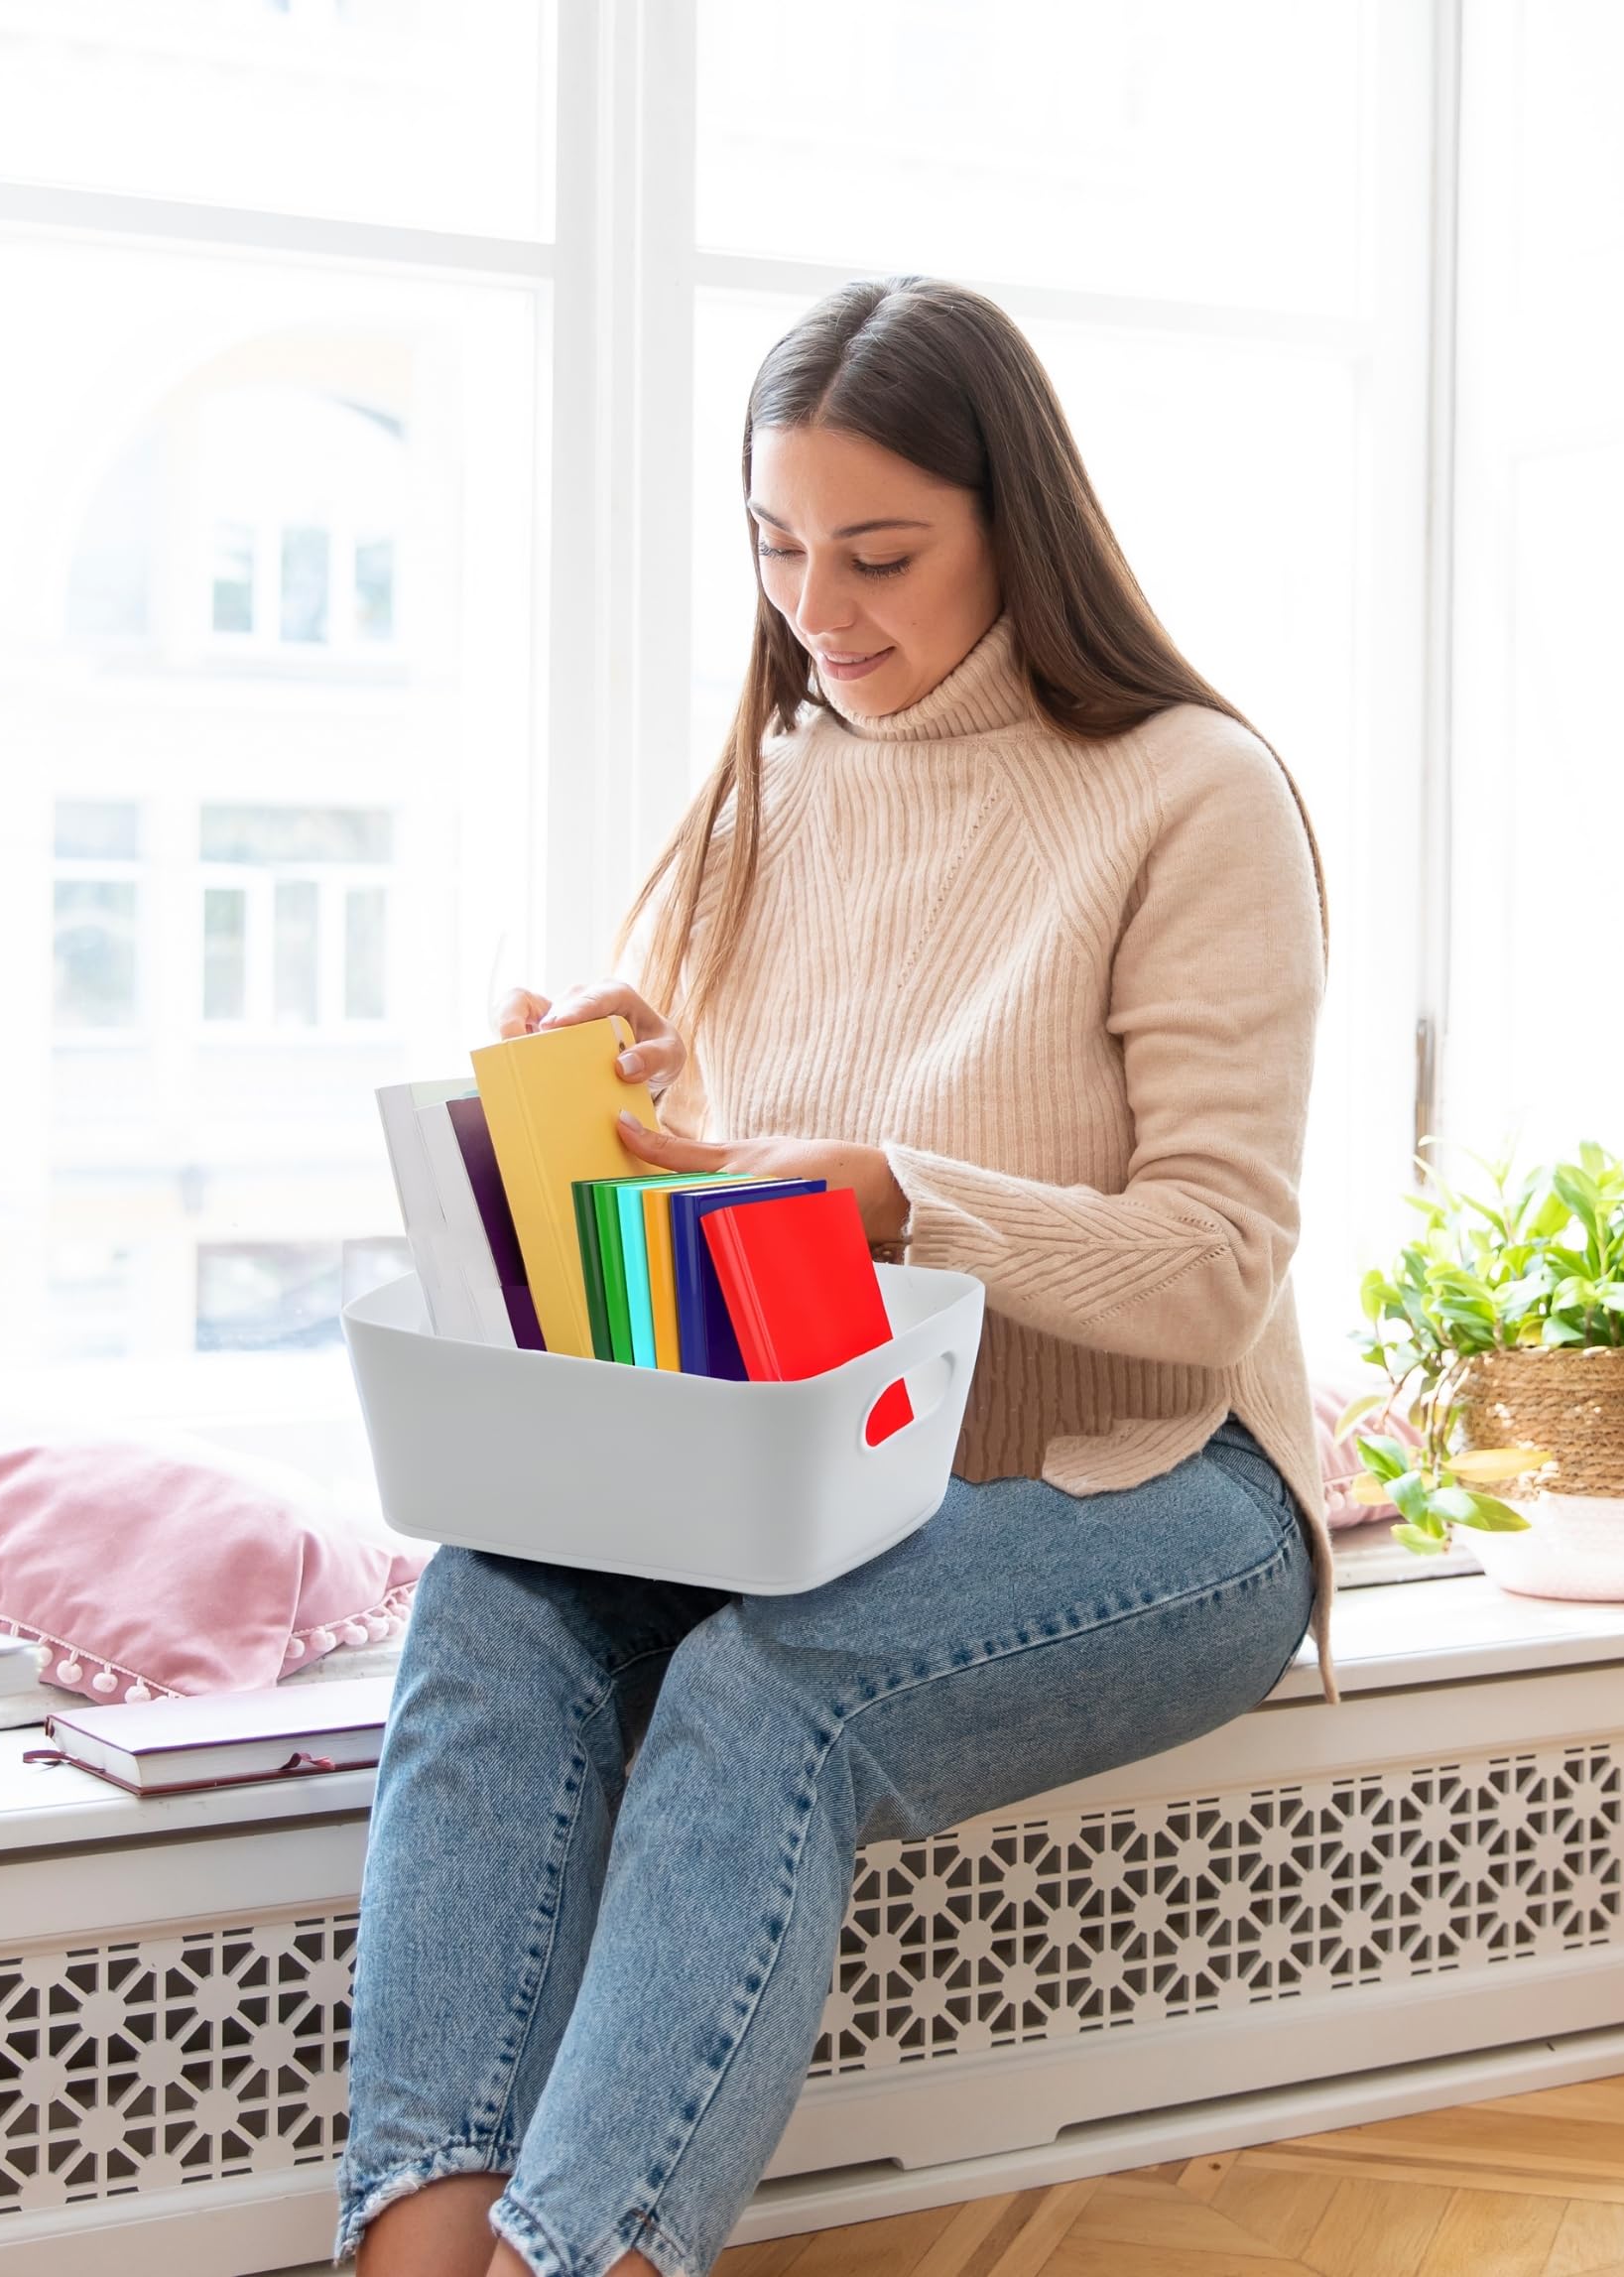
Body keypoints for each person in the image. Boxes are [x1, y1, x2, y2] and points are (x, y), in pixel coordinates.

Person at [341, 276, 1332, 2277]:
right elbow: (714, 1207)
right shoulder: (762, 783)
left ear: (1012, 531)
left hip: (1155, 1487)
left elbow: (1208, 1273)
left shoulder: (1189, 791)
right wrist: (601, 1101)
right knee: (490, 1601)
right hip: (809, 1468)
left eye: (877, 554)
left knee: (756, 1691)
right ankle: (420, 2255)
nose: (820, 607)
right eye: (776, 549)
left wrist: (899, 1195)